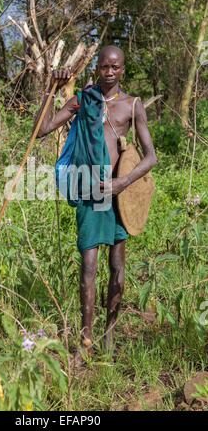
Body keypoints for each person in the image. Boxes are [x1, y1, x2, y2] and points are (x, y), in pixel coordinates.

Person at [34, 45, 158, 358]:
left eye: (115, 67)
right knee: (88, 267)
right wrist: (51, 88)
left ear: (123, 69)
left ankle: (109, 337)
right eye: (105, 67)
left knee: (117, 267)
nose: (110, 72)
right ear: (98, 68)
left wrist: (122, 182)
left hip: (119, 196)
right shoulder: (83, 99)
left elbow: (151, 156)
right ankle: (84, 342)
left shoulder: (132, 106)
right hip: (90, 193)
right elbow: (42, 130)